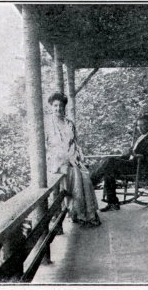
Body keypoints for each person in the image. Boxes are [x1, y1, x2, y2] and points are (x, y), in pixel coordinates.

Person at [45, 93, 101, 227]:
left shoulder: (69, 123)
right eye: (55, 106)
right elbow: (46, 146)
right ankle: (78, 213)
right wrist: (63, 157)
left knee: (84, 176)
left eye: (61, 106)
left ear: (64, 107)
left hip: (71, 156)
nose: (58, 108)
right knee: (75, 175)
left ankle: (86, 213)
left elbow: (75, 143)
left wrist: (75, 155)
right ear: (51, 107)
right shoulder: (46, 124)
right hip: (56, 159)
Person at [90, 115, 148, 212]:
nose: (139, 128)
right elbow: (132, 154)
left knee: (110, 162)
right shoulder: (141, 137)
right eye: (138, 125)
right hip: (133, 164)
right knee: (109, 169)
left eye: (142, 125)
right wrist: (126, 154)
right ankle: (113, 203)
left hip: (141, 167)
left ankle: (91, 182)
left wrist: (134, 154)